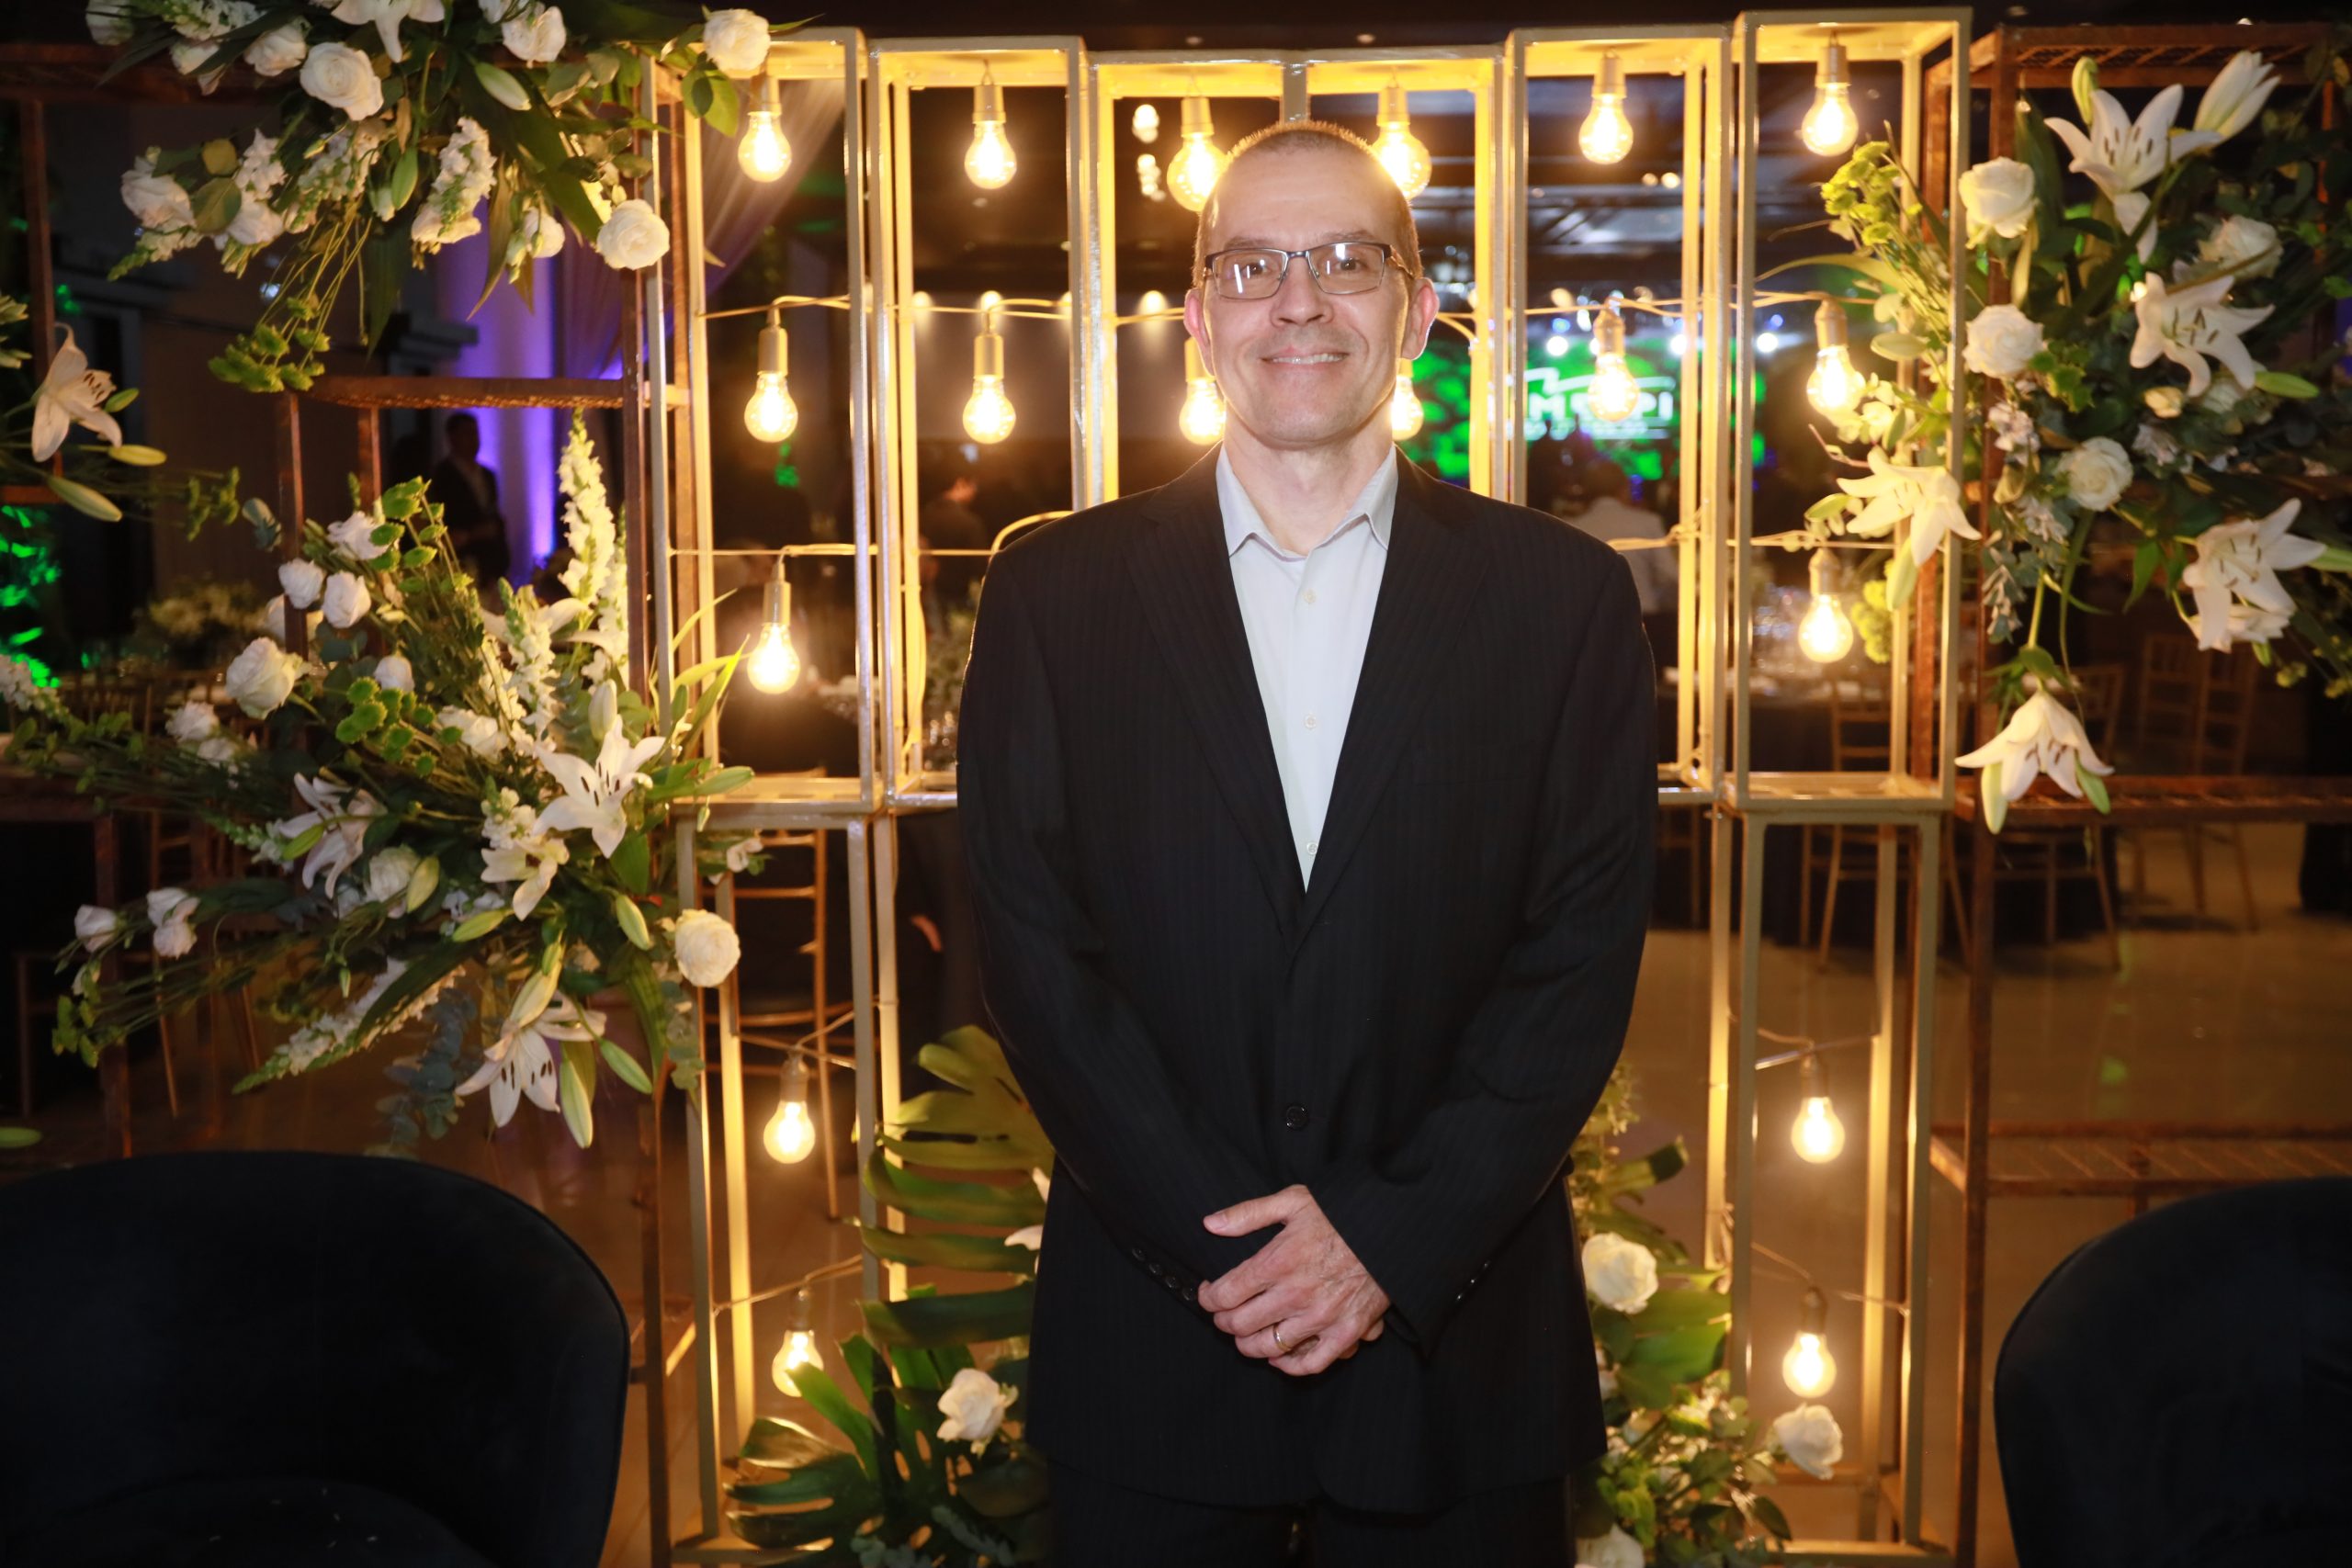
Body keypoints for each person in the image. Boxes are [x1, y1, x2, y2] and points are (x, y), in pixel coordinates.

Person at [956, 119, 1655, 1565]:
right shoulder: (1054, 597)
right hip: (1158, 1339)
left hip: (1455, 1353)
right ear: (1198, 313)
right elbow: (1033, 955)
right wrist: (1240, 1249)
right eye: (1253, 264)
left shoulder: (1561, 602)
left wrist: (1386, 1240)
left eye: (1346, 259)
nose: (1298, 301)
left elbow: (1577, 963)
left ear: (1417, 307)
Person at [1559, 457, 1678, 676]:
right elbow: (1669, 577)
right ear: (1623, 489)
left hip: (1587, 627)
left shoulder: (1571, 527)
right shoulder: (1647, 522)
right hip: (1645, 623)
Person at [431, 412, 511, 588]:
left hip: (492, 560)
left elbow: (493, 512)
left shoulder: (488, 475)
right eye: (467, 433)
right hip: (461, 560)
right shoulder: (442, 476)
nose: (474, 440)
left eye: (475, 433)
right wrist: (471, 534)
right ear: (452, 438)